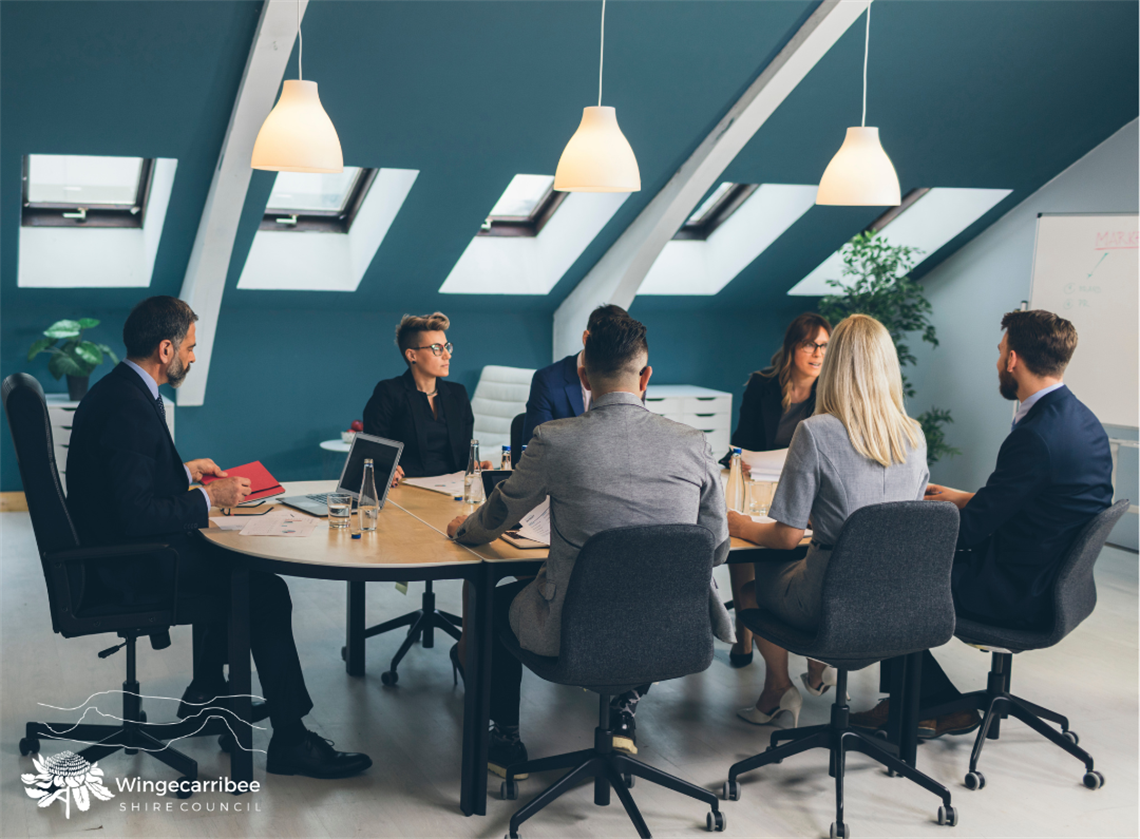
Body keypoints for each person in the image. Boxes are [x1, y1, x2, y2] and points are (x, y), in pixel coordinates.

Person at [66, 296, 372, 779]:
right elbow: (134, 515)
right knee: (263, 590)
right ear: (165, 349)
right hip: (127, 566)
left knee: (230, 564)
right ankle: (291, 741)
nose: (192, 356)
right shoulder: (129, 405)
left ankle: (206, 692)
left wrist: (183, 472)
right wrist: (212, 499)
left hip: (113, 552)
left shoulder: (121, 390)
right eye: (189, 347)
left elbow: (124, 483)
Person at [444, 315, 732, 775]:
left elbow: (501, 512)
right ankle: (624, 709)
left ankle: (503, 737)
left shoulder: (555, 440)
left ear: (583, 374)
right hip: (670, 627)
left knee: (490, 598)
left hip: (572, 629)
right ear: (645, 377)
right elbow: (715, 551)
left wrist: (465, 529)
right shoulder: (693, 443)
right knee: (639, 598)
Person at [850, 309, 1113, 739]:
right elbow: (1047, 502)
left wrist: (907, 526)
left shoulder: (1036, 435)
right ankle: (915, 699)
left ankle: (930, 705)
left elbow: (971, 533)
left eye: (999, 352)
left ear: (1013, 359)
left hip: (1017, 590)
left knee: (893, 578)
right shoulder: (1080, 419)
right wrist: (966, 499)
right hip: (1053, 578)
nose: (997, 362)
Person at [727, 314, 928, 729]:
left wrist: (740, 525)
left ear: (834, 363)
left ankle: (777, 690)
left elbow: (785, 537)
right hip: (897, 603)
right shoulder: (914, 434)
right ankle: (818, 673)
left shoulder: (815, 432)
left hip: (829, 603)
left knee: (751, 588)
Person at [723, 313, 831, 668]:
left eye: (824, 346)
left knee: (783, 543)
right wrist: (740, 459)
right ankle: (744, 635)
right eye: (809, 344)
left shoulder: (830, 393)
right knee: (740, 544)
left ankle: (811, 659)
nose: (817, 354)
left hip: (807, 491)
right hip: (760, 484)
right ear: (792, 347)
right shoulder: (762, 385)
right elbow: (741, 441)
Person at [362, 312, 491, 478]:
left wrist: (475, 465)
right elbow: (372, 452)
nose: (447, 355)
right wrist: (386, 466)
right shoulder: (388, 392)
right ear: (412, 355)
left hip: (453, 489)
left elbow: (464, 454)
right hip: (406, 489)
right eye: (437, 349)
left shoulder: (458, 394)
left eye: (447, 347)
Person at [520, 303, 629, 446]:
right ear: (586, 339)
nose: (612, 356)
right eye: (605, 344)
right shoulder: (547, 381)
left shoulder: (630, 379)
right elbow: (536, 447)